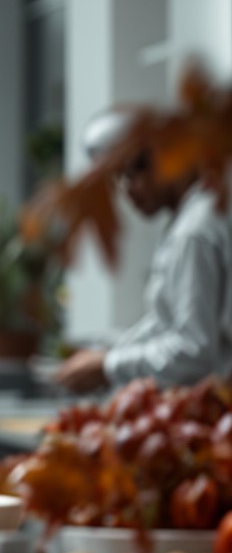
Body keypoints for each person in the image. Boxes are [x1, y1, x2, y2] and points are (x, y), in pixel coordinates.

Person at [54, 110, 232, 393]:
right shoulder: (190, 220)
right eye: (118, 179)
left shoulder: (194, 232)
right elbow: (166, 322)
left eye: (133, 172)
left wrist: (108, 365)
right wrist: (110, 354)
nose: (127, 190)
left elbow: (193, 350)